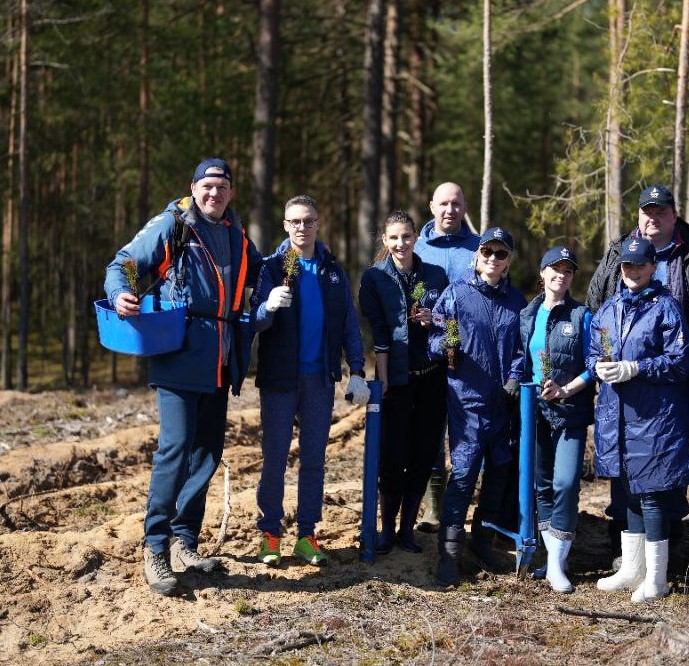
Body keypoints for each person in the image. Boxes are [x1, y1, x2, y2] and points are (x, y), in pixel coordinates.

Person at [105, 158, 263, 596]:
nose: (214, 194)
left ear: (231, 192)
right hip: (179, 354)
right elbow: (123, 263)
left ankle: (184, 541)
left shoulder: (236, 232)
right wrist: (120, 293)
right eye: (207, 186)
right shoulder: (173, 224)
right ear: (193, 187)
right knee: (174, 451)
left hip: (221, 358)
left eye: (222, 187)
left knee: (208, 453)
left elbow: (258, 277)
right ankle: (155, 546)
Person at [586, 184, 689, 570]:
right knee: (625, 465)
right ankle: (626, 553)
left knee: (666, 461)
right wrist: (598, 359)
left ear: (674, 215)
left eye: (661, 211)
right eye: (647, 211)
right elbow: (596, 306)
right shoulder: (618, 253)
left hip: (676, 378)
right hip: (622, 386)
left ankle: (669, 550)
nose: (653, 218)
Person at [251, 194, 369, 568]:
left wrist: (358, 370)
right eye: (295, 222)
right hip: (280, 379)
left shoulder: (332, 270)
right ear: (285, 226)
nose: (302, 228)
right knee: (275, 458)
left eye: (309, 221)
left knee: (314, 459)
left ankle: (307, 535)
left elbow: (349, 322)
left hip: (320, 379)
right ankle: (271, 534)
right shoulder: (271, 267)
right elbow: (253, 321)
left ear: (318, 224)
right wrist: (267, 306)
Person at [588, 237, 689, 603]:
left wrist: (637, 367)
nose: (632, 271)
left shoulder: (666, 308)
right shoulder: (608, 309)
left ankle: (658, 579)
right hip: (616, 414)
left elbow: (679, 362)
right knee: (627, 491)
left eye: (639, 265)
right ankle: (633, 569)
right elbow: (594, 350)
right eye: (626, 265)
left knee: (650, 494)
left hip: (653, 417)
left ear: (653, 268)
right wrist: (597, 366)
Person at [429, 227, 526, 586]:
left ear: (508, 260)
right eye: (487, 251)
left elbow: (521, 348)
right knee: (465, 470)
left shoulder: (516, 300)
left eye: (500, 254)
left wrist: (516, 377)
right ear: (477, 254)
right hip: (466, 398)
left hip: (503, 401)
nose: (492, 259)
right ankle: (450, 553)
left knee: (500, 469)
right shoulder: (456, 294)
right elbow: (435, 338)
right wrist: (444, 346)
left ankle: (482, 541)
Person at [358, 211, 449, 555]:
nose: (401, 243)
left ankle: (408, 531)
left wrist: (434, 319)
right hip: (394, 381)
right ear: (385, 240)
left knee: (423, 455)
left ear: (416, 238)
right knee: (392, 457)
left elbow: (450, 320)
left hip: (431, 380)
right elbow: (378, 333)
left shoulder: (435, 274)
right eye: (394, 237)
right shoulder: (374, 278)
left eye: (407, 236)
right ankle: (387, 529)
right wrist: (383, 384)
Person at [519, 245, 595, 593]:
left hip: (570, 412)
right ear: (542, 272)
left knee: (565, 483)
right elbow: (520, 361)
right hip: (533, 411)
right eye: (555, 268)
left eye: (568, 270)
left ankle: (555, 564)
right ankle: (554, 561)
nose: (561, 275)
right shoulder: (527, 314)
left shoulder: (582, 316)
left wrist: (566, 390)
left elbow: (595, 364)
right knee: (542, 485)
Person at [413, 182, 481, 533]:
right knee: (431, 430)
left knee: (470, 433)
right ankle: (433, 507)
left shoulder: (481, 247)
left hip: (473, 358)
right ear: (431, 206)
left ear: (464, 207)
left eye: (456, 204)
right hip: (429, 354)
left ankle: (464, 506)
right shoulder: (418, 247)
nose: (450, 210)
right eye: (443, 204)